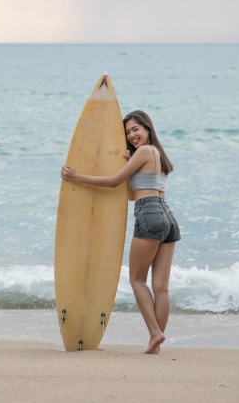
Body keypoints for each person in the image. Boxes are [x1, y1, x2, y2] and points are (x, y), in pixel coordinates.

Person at [61, 110, 180, 354]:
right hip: (168, 218)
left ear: (147, 128)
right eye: (127, 132)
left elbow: (114, 182)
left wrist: (77, 177)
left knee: (137, 280)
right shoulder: (161, 157)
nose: (132, 135)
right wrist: (129, 166)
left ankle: (155, 333)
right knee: (161, 287)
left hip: (149, 215)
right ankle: (156, 343)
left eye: (135, 129)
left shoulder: (145, 151)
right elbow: (130, 194)